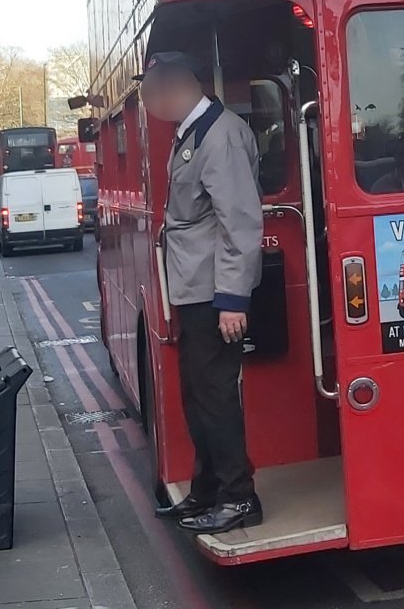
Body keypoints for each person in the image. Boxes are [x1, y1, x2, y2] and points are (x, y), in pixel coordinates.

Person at [137, 51, 265, 535]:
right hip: (194, 288)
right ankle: (209, 489)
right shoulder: (193, 132)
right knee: (197, 394)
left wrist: (232, 299)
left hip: (213, 290)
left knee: (215, 396)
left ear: (180, 86)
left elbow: (239, 220)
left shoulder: (220, 135)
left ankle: (239, 496)